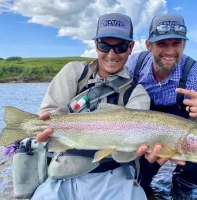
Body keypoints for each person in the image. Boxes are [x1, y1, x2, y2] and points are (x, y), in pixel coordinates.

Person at [31, 13, 153, 200]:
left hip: (114, 173)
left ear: (130, 48)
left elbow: (125, 156)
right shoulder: (74, 72)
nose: (111, 55)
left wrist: (134, 146)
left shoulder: (137, 93)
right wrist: (43, 128)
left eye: (120, 47)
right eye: (105, 45)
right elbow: (50, 113)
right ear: (96, 45)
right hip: (64, 171)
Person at [126, 14, 197, 200]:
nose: (170, 51)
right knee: (138, 185)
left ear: (184, 45)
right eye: (162, 44)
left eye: (176, 44)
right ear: (149, 45)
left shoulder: (196, 73)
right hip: (144, 134)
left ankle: (183, 188)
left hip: (181, 135)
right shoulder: (135, 65)